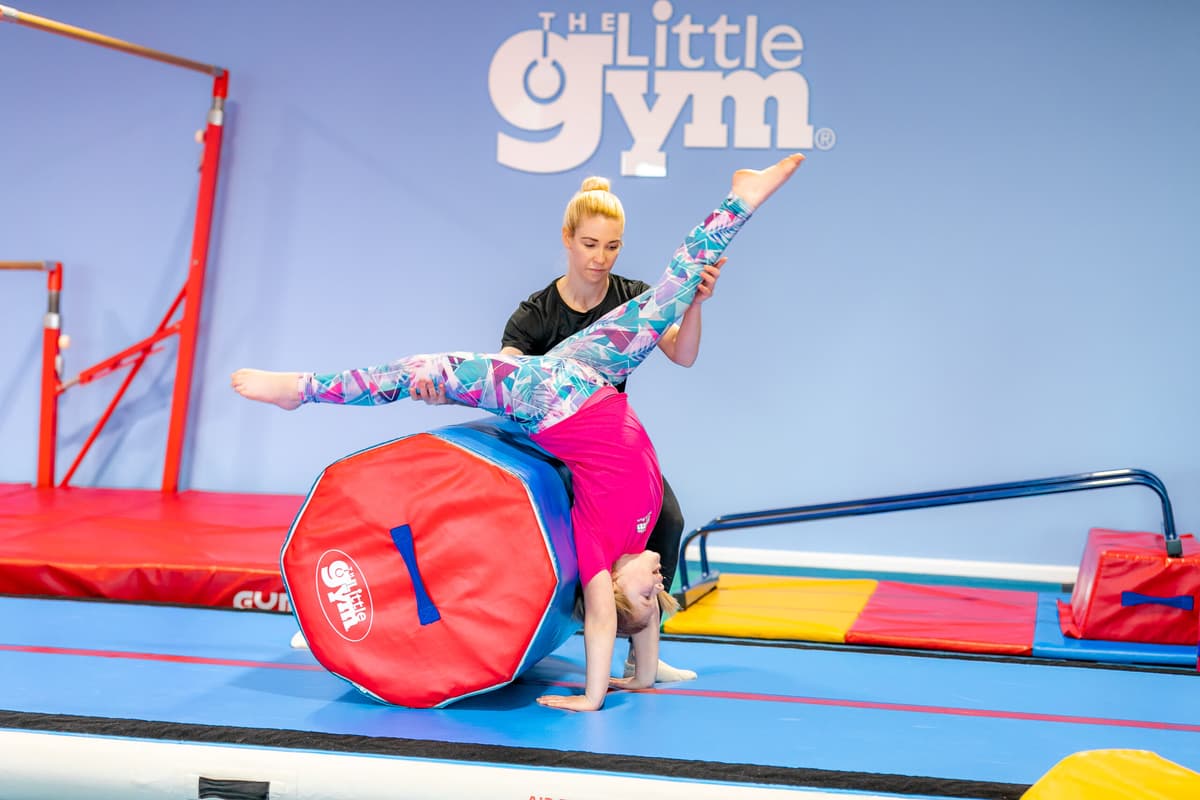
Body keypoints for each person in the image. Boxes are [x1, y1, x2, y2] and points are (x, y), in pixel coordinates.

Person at [231, 153, 804, 711]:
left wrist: (591, 697)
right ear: (570, 241)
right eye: (659, 588)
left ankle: (301, 389)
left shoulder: (598, 558)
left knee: (426, 372)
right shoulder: (637, 526)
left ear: (614, 590)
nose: (658, 579)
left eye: (648, 590)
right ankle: (740, 198)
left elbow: (602, 620)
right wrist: (644, 674)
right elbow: (642, 613)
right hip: (587, 378)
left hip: (551, 399)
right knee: (676, 289)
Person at [409, 174, 727, 684]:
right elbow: (505, 383)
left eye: (612, 247)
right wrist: (444, 391)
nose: (600, 258)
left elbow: (683, 354)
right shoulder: (536, 314)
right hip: (551, 445)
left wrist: (694, 306)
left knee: (668, 518)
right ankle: (408, 607)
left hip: (607, 451)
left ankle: (640, 652)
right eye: (590, 244)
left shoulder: (632, 298)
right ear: (567, 239)